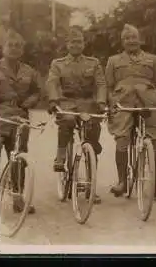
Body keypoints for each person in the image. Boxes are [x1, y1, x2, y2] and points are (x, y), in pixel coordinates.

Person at [105, 24, 156, 203]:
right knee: (122, 139)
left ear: (140, 40)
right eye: (127, 38)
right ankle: (122, 181)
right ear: (122, 41)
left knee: (155, 141)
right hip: (123, 103)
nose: (131, 41)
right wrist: (112, 103)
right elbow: (108, 87)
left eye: (134, 37)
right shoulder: (113, 60)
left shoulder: (153, 59)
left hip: (148, 103)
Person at [46, 26, 106, 205]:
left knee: (92, 142)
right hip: (67, 102)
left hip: (87, 103)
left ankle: (91, 186)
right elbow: (52, 83)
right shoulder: (58, 64)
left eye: (79, 41)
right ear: (67, 44)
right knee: (68, 120)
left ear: (84, 43)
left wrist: (101, 102)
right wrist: (53, 101)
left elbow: (101, 83)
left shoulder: (93, 63)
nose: (76, 45)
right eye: (72, 42)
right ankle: (61, 155)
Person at [0, 29, 41, 214]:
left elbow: (37, 91)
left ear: (23, 50)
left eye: (18, 46)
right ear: (2, 48)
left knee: (19, 157)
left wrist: (30, 101)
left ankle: (17, 198)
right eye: (10, 45)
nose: (14, 49)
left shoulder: (29, 71)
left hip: (20, 118)